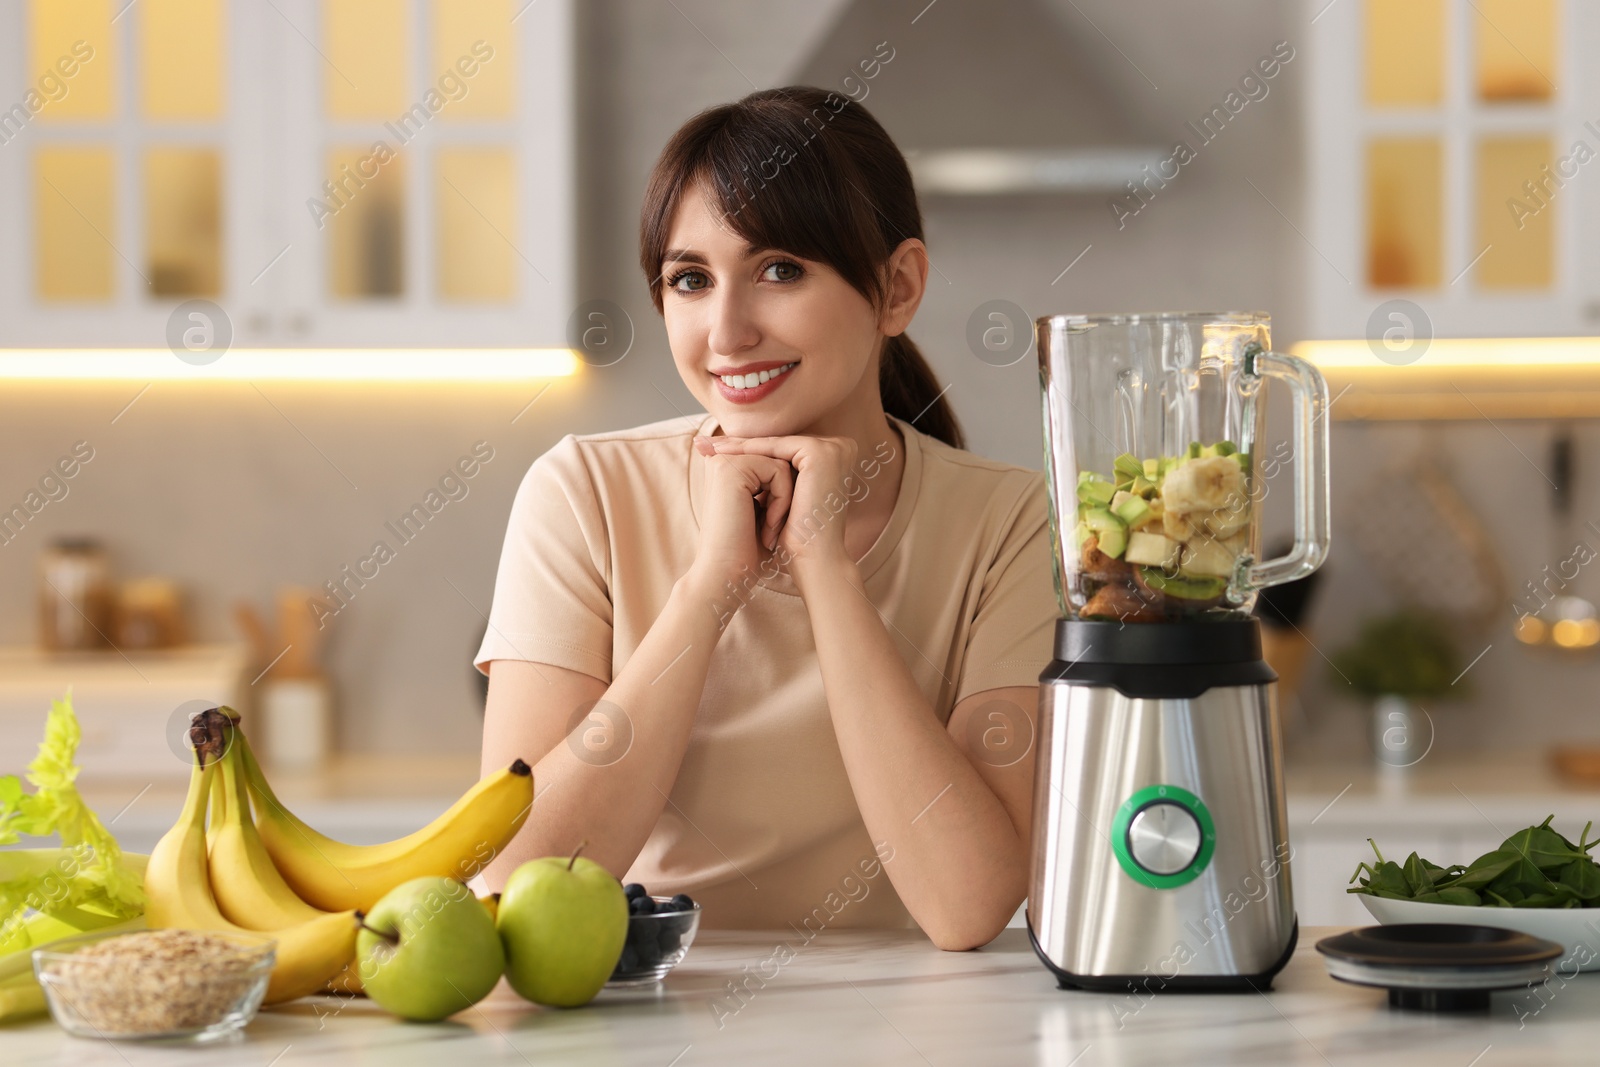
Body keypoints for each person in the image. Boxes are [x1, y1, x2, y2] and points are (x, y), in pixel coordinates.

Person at [476, 86, 1055, 950]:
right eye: (690, 280)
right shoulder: (582, 492)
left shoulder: (1008, 520)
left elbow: (967, 903)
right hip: (641, 1014)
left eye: (780, 269)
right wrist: (712, 583)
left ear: (896, 289)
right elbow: (513, 876)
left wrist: (825, 569)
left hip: (909, 1025)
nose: (727, 330)